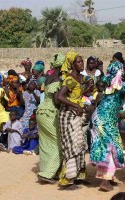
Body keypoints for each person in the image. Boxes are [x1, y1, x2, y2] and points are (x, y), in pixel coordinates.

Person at [90, 56, 125, 191]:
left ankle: (109, 177)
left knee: (111, 146)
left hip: (101, 118)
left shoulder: (109, 81)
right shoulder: (119, 85)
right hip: (104, 119)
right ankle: (105, 181)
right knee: (109, 147)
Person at [57, 53, 87, 189]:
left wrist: (86, 90)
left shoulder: (79, 78)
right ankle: (67, 180)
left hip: (76, 115)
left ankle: (78, 176)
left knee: (80, 144)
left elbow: (75, 95)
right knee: (70, 146)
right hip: (68, 116)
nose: (82, 64)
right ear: (72, 64)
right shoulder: (69, 79)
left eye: (82, 62)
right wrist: (76, 106)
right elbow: (60, 97)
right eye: (79, 62)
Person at [37, 53, 64, 184]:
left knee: (46, 143)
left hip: (42, 111)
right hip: (50, 112)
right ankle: (47, 174)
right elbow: (56, 100)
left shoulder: (48, 77)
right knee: (59, 143)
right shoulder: (57, 80)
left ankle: (48, 170)